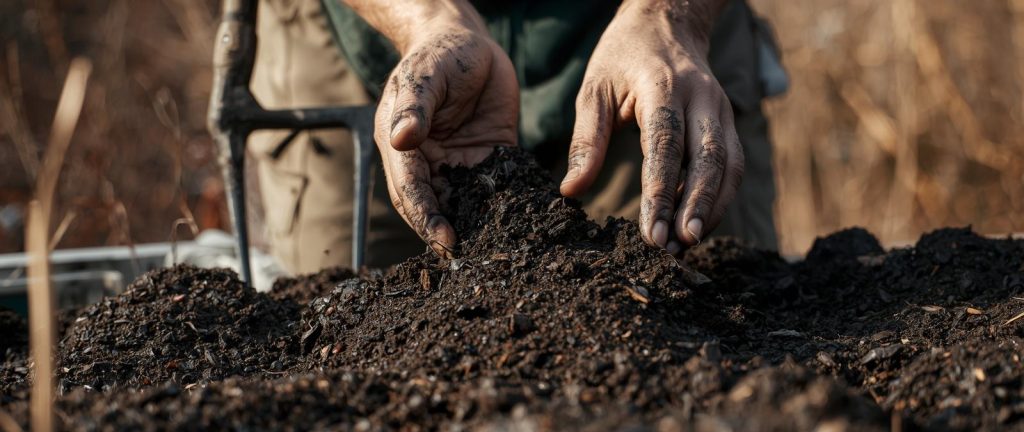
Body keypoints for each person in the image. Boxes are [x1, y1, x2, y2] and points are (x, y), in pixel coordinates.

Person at [249, 0, 787, 273]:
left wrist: (672, 17)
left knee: (706, 293)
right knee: (341, 316)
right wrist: (427, 21)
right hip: (370, 28)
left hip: (642, 31)